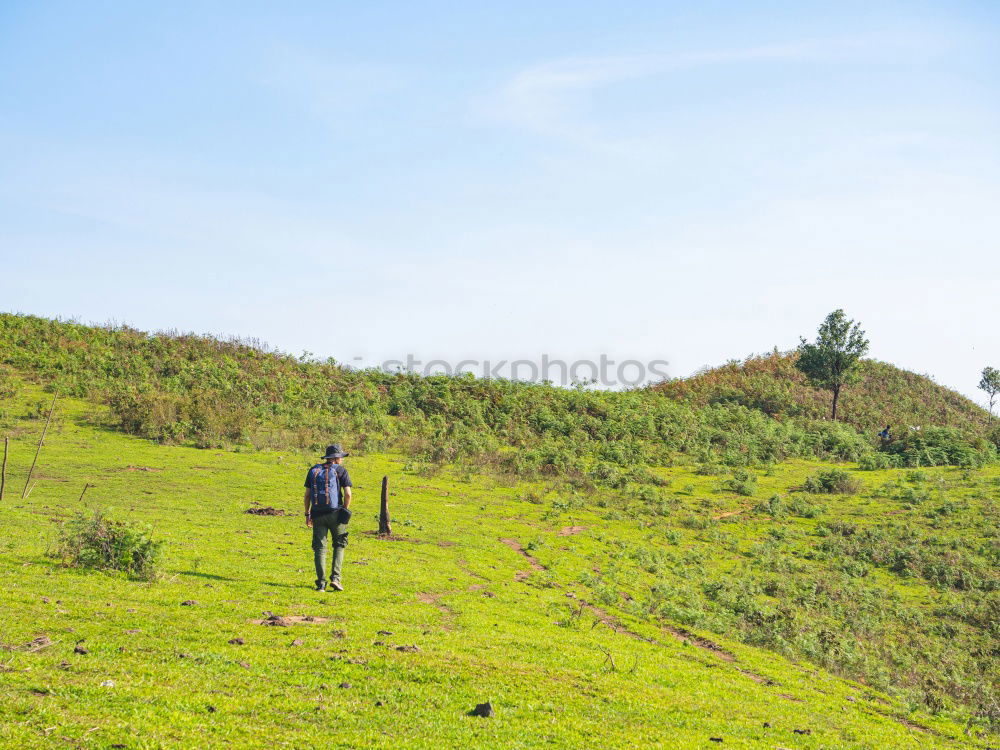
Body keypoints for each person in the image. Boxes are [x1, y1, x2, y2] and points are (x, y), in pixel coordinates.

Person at [304, 444, 353, 591]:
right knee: (339, 544)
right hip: (336, 513)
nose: (342, 460)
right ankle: (336, 579)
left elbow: (307, 495)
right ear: (336, 458)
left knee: (320, 548)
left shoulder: (313, 470)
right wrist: (345, 509)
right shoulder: (341, 471)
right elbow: (349, 494)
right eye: (341, 457)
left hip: (317, 514)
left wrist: (307, 514)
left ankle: (321, 584)